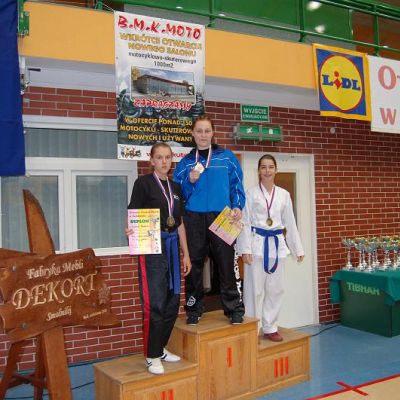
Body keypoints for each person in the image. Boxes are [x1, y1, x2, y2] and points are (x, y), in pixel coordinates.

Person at [173, 114, 245, 325]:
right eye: (199, 131)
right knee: (194, 264)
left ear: (213, 133)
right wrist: (189, 181)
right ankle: (194, 309)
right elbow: (178, 194)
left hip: (222, 216)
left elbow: (237, 185)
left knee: (226, 264)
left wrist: (237, 206)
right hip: (193, 217)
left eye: (207, 131)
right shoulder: (185, 162)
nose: (203, 135)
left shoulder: (227, 157)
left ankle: (234, 309)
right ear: (193, 134)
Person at [127, 142, 191, 375]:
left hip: (173, 247)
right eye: (160, 157)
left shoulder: (176, 187)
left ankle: (160, 348)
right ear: (152, 160)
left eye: (167, 157)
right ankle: (151, 355)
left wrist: (186, 254)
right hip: (152, 247)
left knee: (172, 302)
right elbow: (133, 214)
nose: (164, 161)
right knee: (155, 303)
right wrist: (130, 230)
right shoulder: (143, 184)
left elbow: (179, 223)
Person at [236, 154, 304, 342]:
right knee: (254, 291)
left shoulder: (283, 195)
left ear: (276, 170)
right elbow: (245, 222)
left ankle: (270, 327)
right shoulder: (250, 194)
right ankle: (251, 329)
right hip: (256, 245)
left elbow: (290, 222)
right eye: (263, 167)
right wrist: (245, 249)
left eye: (270, 167)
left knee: (276, 289)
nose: (267, 171)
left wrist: (297, 249)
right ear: (258, 171)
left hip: (276, 245)